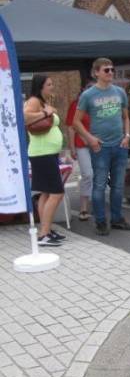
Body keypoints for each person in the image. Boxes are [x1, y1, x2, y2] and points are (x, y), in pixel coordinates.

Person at [73, 57, 130, 236]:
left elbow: (126, 117)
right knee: (99, 185)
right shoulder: (88, 95)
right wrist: (90, 139)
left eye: (112, 69)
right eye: (106, 70)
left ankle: (117, 219)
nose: (110, 73)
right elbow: (76, 122)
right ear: (96, 73)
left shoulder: (120, 92)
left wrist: (127, 135)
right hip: (100, 147)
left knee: (118, 185)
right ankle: (100, 221)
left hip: (120, 145)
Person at [23, 74, 66, 247]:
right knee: (57, 193)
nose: (52, 87)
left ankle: (46, 230)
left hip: (47, 153)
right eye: (49, 85)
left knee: (46, 193)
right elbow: (24, 117)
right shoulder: (34, 101)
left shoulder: (42, 101)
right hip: (42, 154)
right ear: (40, 86)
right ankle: (43, 235)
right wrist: (45, 112)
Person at [66, 83, 92, 221]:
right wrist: (72, 147)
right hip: (82, 144)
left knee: (98, 174)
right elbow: (71, 127)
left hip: (99, 144)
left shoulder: (98, 104)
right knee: (87, 174)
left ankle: (96, 202)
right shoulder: (76, 104)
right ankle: (83, 207)